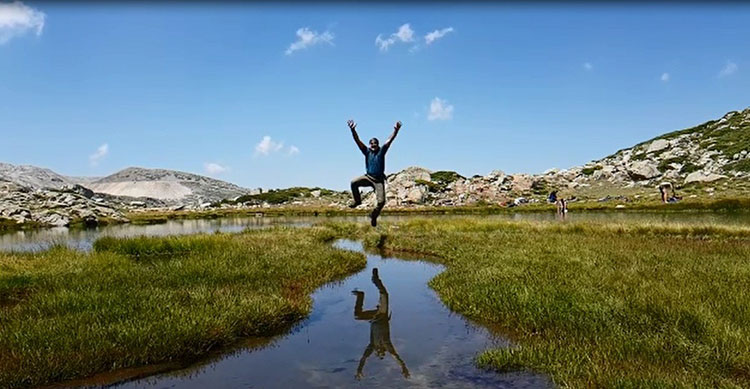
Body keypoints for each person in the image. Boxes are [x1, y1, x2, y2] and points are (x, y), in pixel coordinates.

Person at [351, 268, 409, 380]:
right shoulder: (388, 345)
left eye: (379, 352)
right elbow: (396, 356)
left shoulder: (372, 346)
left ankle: (360, 295)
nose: (381, 350)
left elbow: (364, 358)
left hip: (374, 317)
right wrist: (403, 367)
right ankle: (375, 279)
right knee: (385, 294)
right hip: (382, 314)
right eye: (382, 352)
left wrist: (359, 370)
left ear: (376, 351)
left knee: (357, 315)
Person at [347, 120, 402, 227]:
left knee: (381, 202)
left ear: (378, 144)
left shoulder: (382, 151)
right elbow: (357, 140)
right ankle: (357, 201)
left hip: (378, 180)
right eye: (371, 144)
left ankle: (373, 216)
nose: (373, 145)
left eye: (375, 143)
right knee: (354, 182)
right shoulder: (366, 151)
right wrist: (353, 130)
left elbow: (390, 140)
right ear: (369, 145)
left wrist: (396, 130)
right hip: (368, 177)